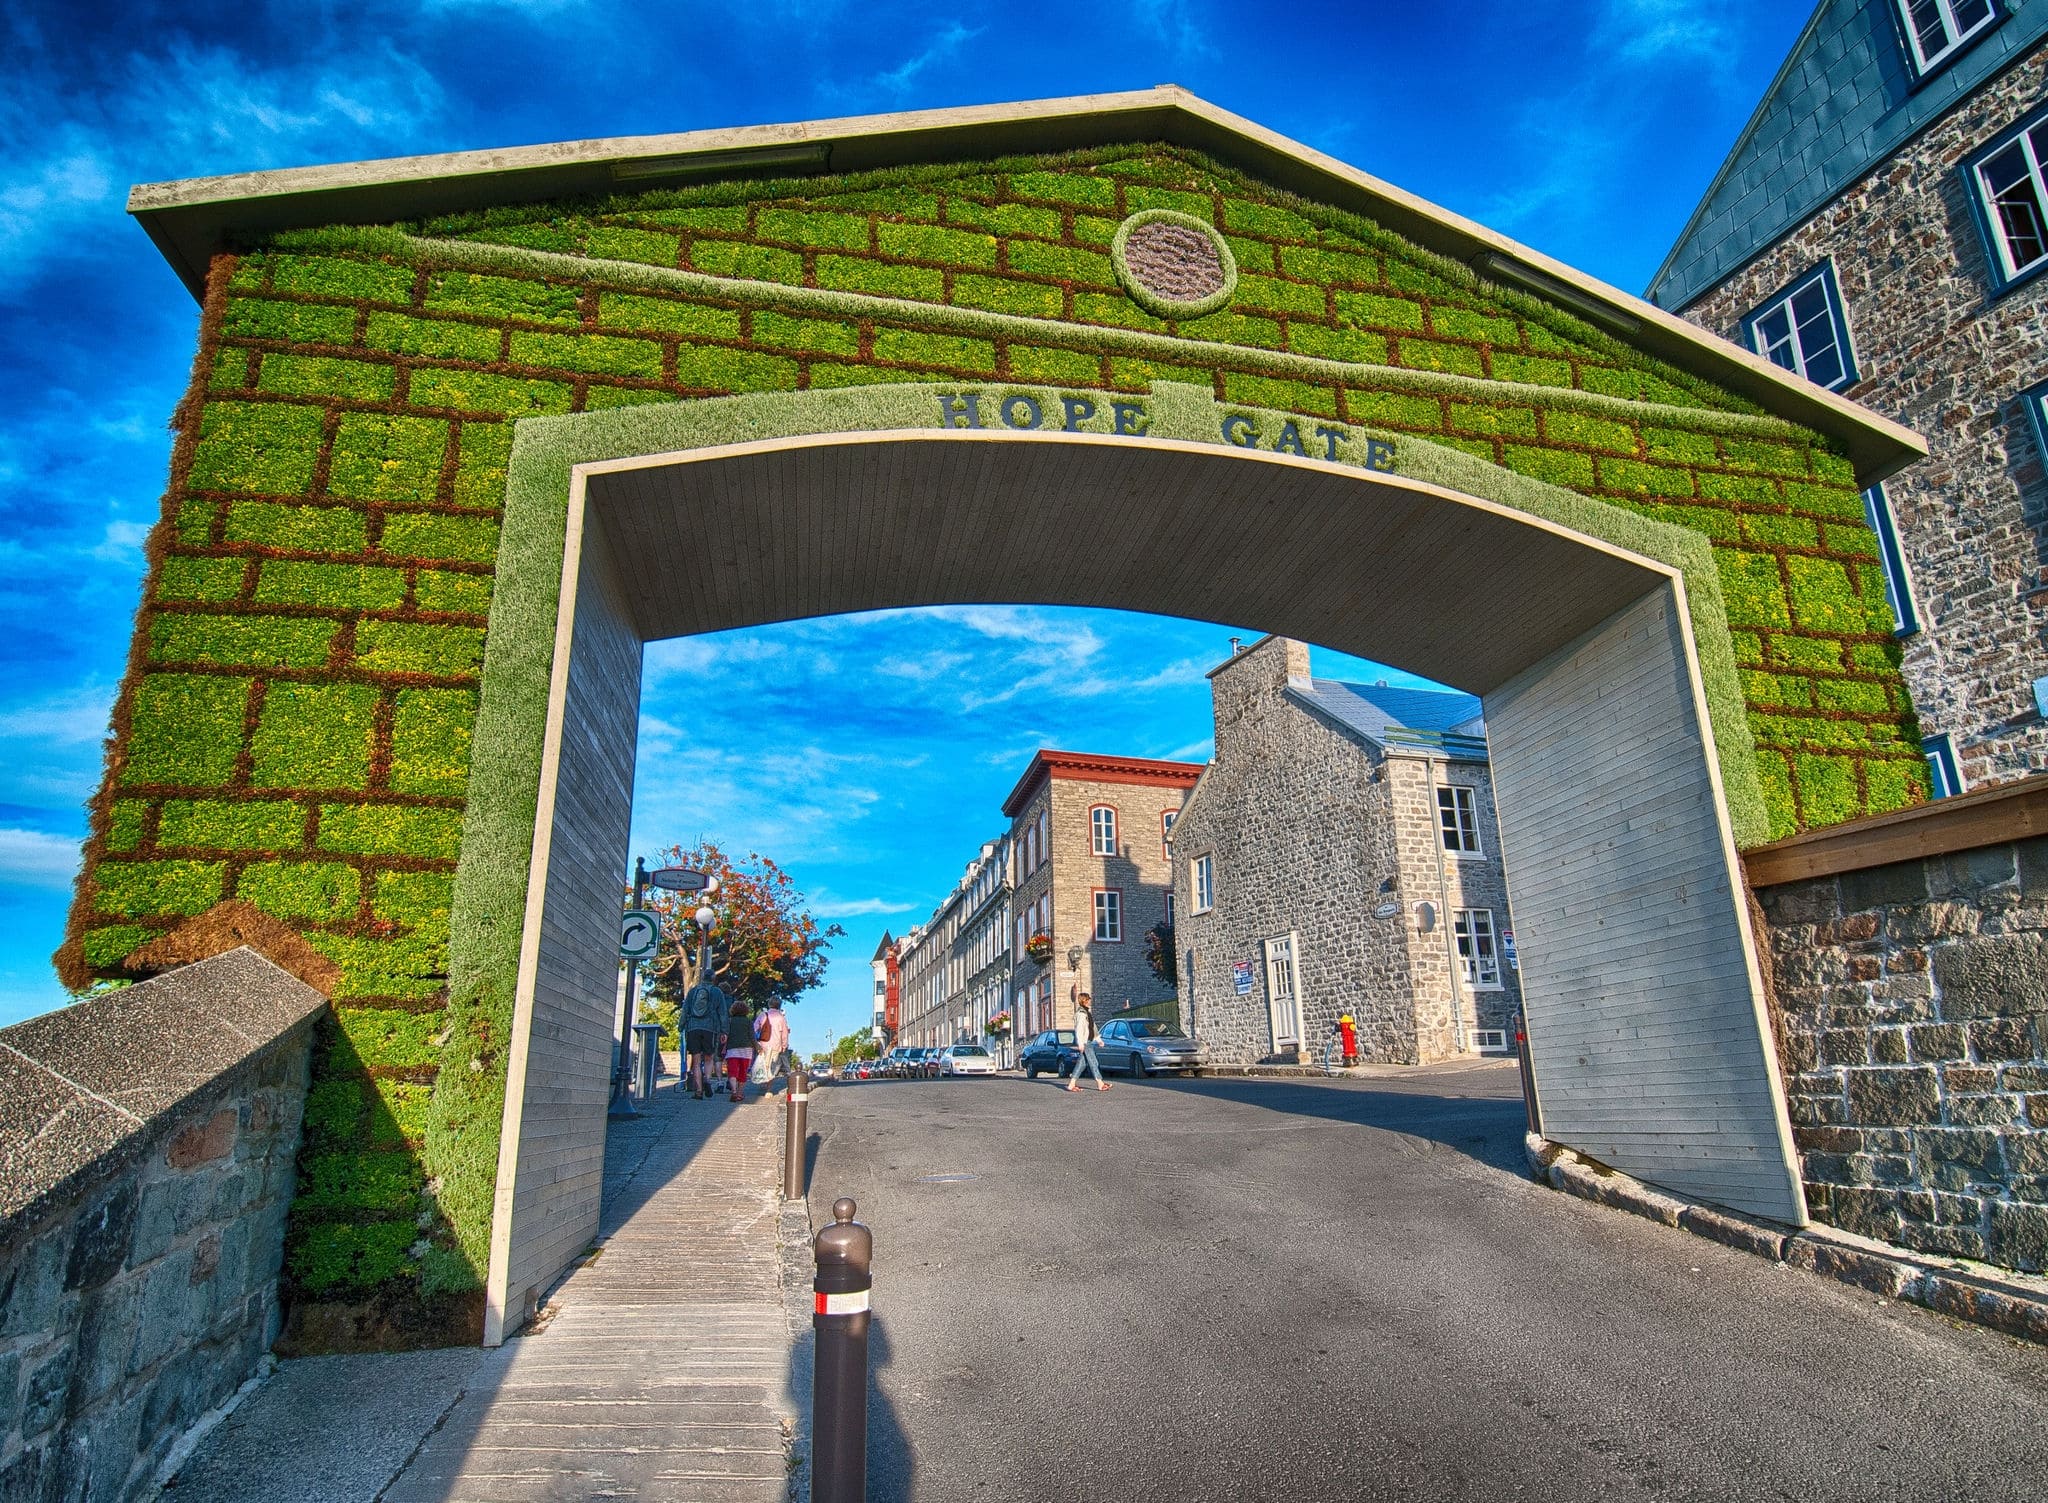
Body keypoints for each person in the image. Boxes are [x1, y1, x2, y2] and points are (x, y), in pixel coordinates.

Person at [681, 971, 728, 1101]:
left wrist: (681, 1026)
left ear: (702, 978)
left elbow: (685, 1009)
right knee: (709, 1058)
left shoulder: (693, 991)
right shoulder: (717, 992)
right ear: (713, 979)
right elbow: (723, 1013)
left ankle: (699, 1091)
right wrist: (724, 1031)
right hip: (710, 1028)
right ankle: (707, 1079)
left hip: (693, 1027)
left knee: (696, 1061)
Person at [1064, 991, 1109, 1092]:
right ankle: (1100, 1083)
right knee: (1093, 1062)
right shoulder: (1081, 1014)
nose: (1089, 1001)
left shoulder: (1087, 1013)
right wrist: (1080, 1043)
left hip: (1088, 1040)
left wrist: (1098, 1040)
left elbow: (1093, 1028)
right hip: (1085, 1042)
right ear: (1084, 1001)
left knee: (1082, 1063)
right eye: (1088, 999)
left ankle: (1071, 1084)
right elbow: (1079, 1029)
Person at [723, 999, 756, 1103]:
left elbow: (725, 1035)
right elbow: (752, 1036)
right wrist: (757, 1047)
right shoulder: (748, 1021)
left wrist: (723, 1047)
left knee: (732, 1071)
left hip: (732, 1049)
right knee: (743, 1072)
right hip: (746, 1050)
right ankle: (740, 1093)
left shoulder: (730, 1021)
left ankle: (733, 1091)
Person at [755, 999, 791, 1086]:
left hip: (762, 1044)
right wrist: (784, 1046)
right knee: (772, 1067)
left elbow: (755, 1028)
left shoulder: (763, 1015)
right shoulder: (781, 1018)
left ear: (769, 1004)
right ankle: (768, 1088)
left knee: (763, 1064)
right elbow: (785, 1034)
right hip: (776, 1045)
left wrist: (756, 1041)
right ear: (779, 1006)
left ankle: (763, 1080)